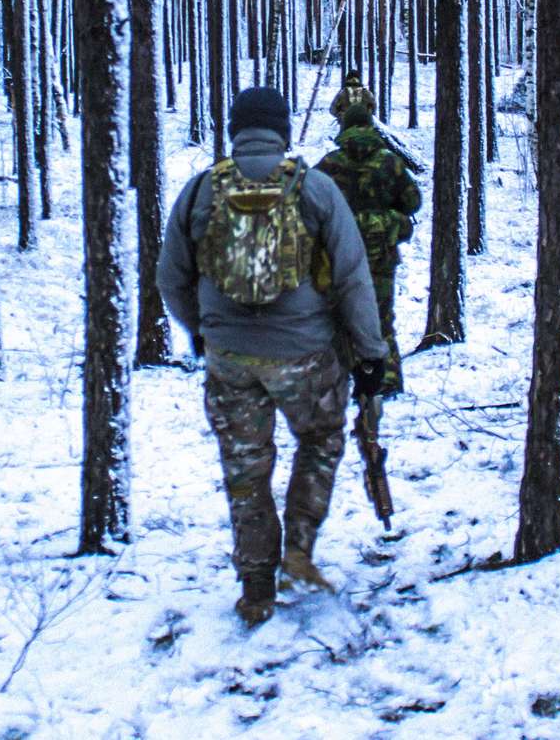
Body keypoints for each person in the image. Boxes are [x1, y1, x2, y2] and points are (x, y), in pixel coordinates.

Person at [158, 87, 388, 628]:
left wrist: (203, 330)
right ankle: (299, 547)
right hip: (306, 355)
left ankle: (256, 584)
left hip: (230, 359)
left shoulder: (199, 192)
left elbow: (171, 278)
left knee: (245, 469)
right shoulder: (314, 189)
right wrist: (372, 353)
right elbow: (354, 278)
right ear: (281, 130)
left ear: (235, 128)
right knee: (321, 439)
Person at [315, 103, 422, 395]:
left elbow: (309, 203)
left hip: (340, 257)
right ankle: (386, 381)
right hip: (381, 256)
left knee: (339, 320)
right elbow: (413, 202)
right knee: (381, 318)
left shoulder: (329, 164)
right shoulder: (391, 163)